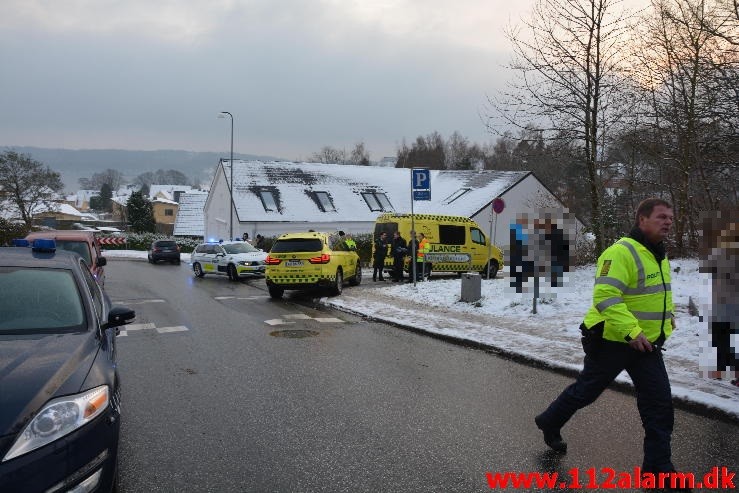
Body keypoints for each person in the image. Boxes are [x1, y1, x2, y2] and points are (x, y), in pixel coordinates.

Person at [534, 198, 688, 488]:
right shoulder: (620, 252)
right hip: (611, 341)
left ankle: (657, 470)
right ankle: (550, 421)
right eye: (661, 217)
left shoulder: (658, 253)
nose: (668, 221)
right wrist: (632, 331)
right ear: (642, 219)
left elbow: (656, 293)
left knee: (659, 406)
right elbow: (606, 297)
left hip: (646, 346)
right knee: (585, 392)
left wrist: (668, 318)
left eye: (670, 217)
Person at [700, 220, 738, 384]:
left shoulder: (722, 255)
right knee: (726, 340)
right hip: (724, 304)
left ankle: (722, 372)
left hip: (726, 305)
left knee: (723, 339)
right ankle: (724, 372)